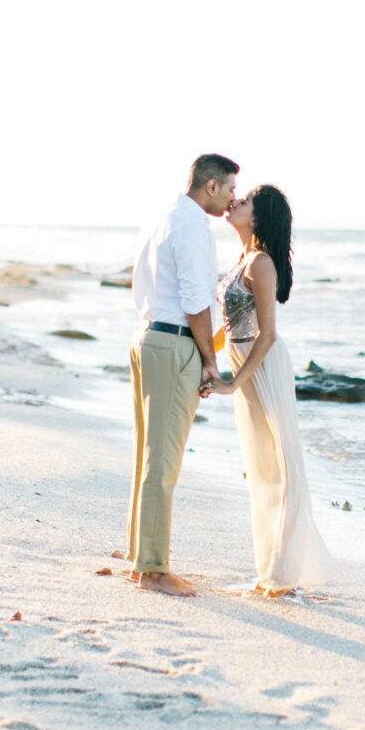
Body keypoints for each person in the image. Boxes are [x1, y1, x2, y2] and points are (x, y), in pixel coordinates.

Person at [207, 185, 332, 597]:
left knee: (280, 467)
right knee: (260, 467)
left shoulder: (260, 263)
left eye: (244, 202)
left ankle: (281, 575)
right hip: (245, 366)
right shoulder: (242, 259)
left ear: (257, 218)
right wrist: (206, 356)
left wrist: (232, 383)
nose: (234, 202)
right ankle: (269, 571)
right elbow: (231, 329)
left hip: (263, 370)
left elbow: (268, 336)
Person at [126, 153, 238, 597]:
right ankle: (152, 570)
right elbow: (195, 300)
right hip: (173, 342)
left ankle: (141, 561)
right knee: (163, 462)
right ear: (210, 186)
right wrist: (210, 360)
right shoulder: (192, 226)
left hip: (148, 336)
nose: (232, 200)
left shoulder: (163, 215)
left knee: (148, 458)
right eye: (229, 189)